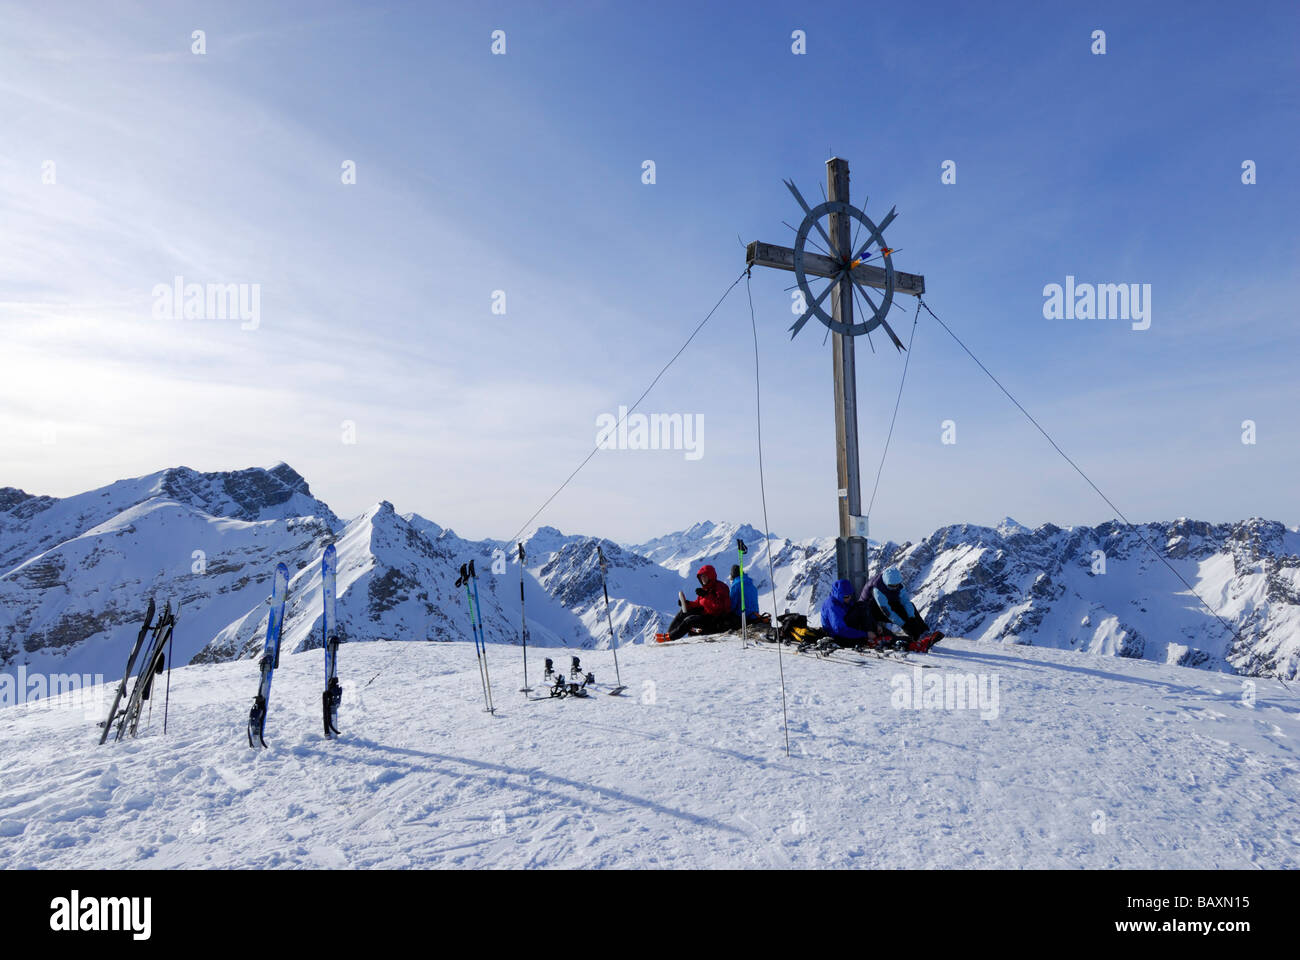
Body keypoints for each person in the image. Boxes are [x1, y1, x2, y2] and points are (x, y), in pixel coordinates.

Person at [859, 566, 942, 651]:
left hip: (887, 604)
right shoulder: (877, 588)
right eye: (891, 586)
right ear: (886, 582)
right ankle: (916, 638)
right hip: (870, 610)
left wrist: (912, 617)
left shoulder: (899, 585)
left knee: (910, 608)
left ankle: (923, 633)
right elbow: (887, 611)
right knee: (901, 614)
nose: (894, 588)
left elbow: (906, 602)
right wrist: (903, 624)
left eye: (896, 585)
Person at [662, 564, 732, 641]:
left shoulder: (720, 587)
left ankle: (668, 639)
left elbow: (720, 606)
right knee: (683, 612)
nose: (703, 579)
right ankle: (667, 635)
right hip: (706, 618)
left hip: (716, 622)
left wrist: (707, 596)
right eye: (701, 577)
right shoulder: (705, 589)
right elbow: (698, 604)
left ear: (711, 576)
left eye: (705, 576)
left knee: (689, 622)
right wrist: (686, 604)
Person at [819, 578, 873, 644]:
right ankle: (869, 636)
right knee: (860, 607)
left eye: (850, 595)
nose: (849, 598)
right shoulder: (833, 606)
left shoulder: (843, 601)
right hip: (836, 636)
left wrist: (875, 626)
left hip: (844, 630)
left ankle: (872, 633)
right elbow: (839, 629)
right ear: (839, 595)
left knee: (861, 605)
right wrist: (865, 634)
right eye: (846, 596)